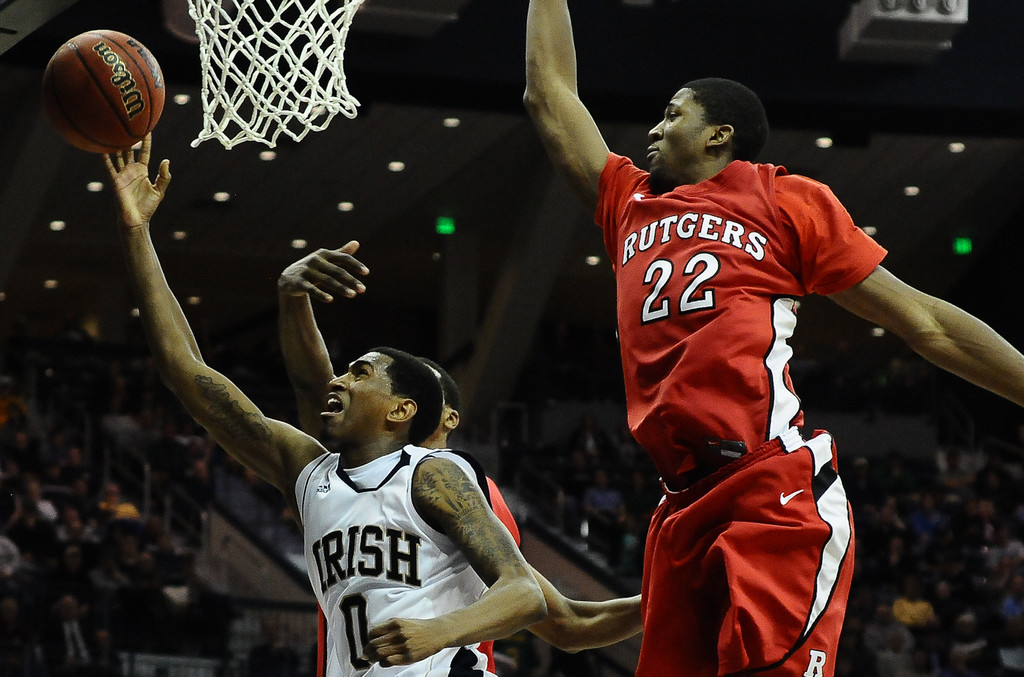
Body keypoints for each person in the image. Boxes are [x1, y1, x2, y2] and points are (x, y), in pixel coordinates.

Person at [522, 0, 1024, 674]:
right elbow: (549, 96)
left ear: (719, 135)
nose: (654, 129)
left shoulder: (785, 200)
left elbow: (924, 320)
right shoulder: (627, 202)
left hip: (768, 487)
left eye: (673, 114)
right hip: (681, 504)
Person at [101, 136, 548, 674]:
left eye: (361, 373)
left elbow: (523, 592)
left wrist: (439, 632)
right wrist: (136, 233)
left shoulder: (432, 475)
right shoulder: (309, 472)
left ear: (401, 410)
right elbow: (185, 372)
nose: (338, 379)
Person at [276, 246, 643, 670]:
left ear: (442, 415)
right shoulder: (351, 474)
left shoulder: (463, 487)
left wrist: (671, 596)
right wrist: (293, 298)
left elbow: (561, 619)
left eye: (422, 387)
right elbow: (314, 391)